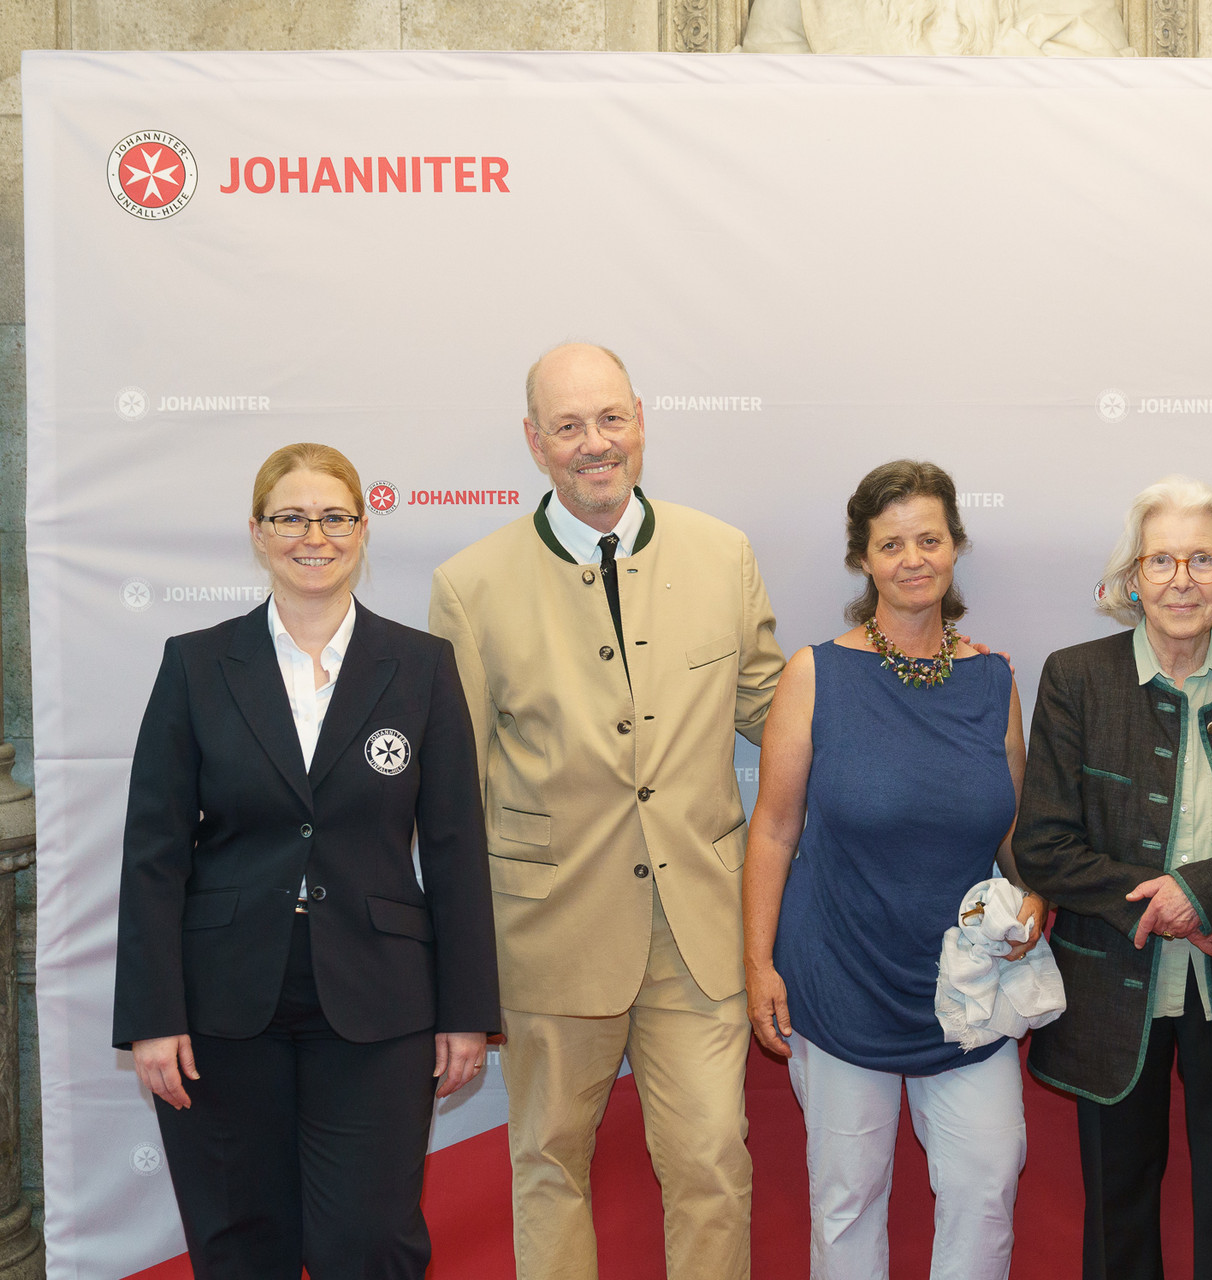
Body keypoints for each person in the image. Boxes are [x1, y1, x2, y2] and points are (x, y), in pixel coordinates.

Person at [428, 342, 785, 1280]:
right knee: (548, 1164)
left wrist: (911, 665)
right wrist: (456, 965)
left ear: (641, 418)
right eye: (569, 426)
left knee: (712, 1160)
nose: (595, 444)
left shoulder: (723, 553)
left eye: (611, 419)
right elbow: (450, 795)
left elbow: (777, 712)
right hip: (548, 933)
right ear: (534, 441)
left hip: (697, 929)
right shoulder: (471, 585)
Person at [112, 442, 498, 1279]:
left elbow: (458, 846)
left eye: (333, 516)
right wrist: (150, 1013)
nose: (311, 535)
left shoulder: (421, 666)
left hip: (379, 999)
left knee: (369, 1241)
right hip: (222, 999)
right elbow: (153, 851)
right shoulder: (196, 663)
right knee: (241, 1240)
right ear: (258, 532)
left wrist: (467, 1009)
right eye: (290, 517)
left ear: (362, 529)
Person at [1014, 475, 1212, 1280]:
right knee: (1116, 1215)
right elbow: (1044, 847)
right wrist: (1182, 909)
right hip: (1111, 988)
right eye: (1161, 561)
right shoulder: (1075, 679)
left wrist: (1202, 893)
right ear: (1130, 582)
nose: (1182, 579)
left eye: (1202, 558)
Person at [743, 459, 1044, 1280]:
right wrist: (758, 962)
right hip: (841, 979)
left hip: (965, 993)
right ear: (864, 559)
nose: (913, 558)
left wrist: (1039, 900)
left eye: (930, 539)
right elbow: (772, 829)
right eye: (891, 543)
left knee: (987, 1183)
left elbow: (1015, 835)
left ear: (954, 548)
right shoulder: (817, 675)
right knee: (846, 1201)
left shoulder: (993, 681)